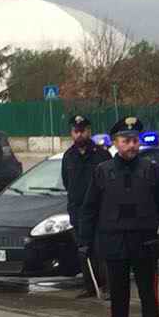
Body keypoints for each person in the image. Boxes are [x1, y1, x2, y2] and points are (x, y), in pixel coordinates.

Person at [82, 116, 159, 317]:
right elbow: (90, 208)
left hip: (144, 241)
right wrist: (84, 241)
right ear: (115, 142)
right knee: (118, 296)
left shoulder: (152, 170)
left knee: (148, 295)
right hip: (114, 242)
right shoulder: (103, 171)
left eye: (135, 140)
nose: (132, 145)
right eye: (126, 140)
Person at [61, 114, 111, 298]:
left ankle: (107, 286)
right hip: (78, 212)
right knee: (83, 251)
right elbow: (67, 183)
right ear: (71, 133)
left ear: (89, 131)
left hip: (99, 211)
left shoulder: (101, 155)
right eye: (76, 131)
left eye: (82, 131)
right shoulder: (68, 156)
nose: (79, 134)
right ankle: (89, 287)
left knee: (101, 251)